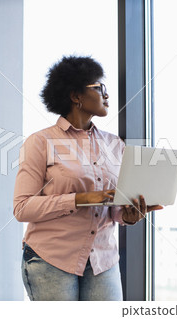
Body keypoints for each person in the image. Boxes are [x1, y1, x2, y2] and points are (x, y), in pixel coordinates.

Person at [13, 56, 163, 301]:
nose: (106, 94)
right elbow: (22, 208)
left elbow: (112, 207)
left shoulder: (114, 144)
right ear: (75, 96)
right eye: (99, 87)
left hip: (103, 261)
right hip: (51, 260)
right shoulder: (40, 142)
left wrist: (126, 215)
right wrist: (80, 199)